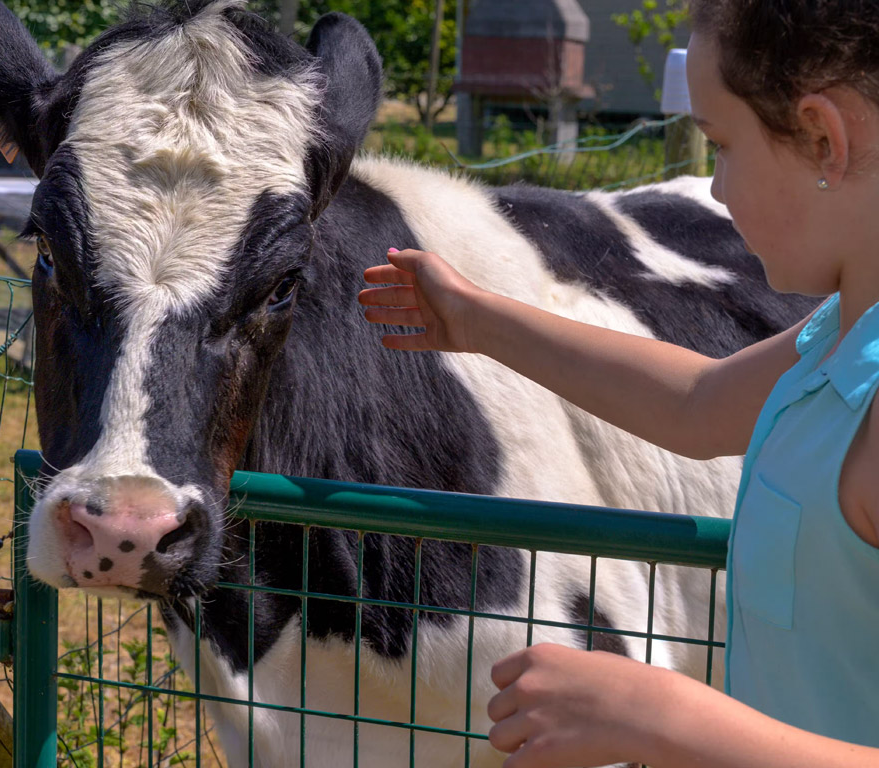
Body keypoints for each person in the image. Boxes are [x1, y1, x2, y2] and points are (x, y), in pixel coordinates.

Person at [358, 1, 879, 766]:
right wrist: (476, 320)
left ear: (823, 140)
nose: (717, 189)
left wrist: (659, 714)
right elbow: (697, 403)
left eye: (722, 145)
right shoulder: (839, 335)